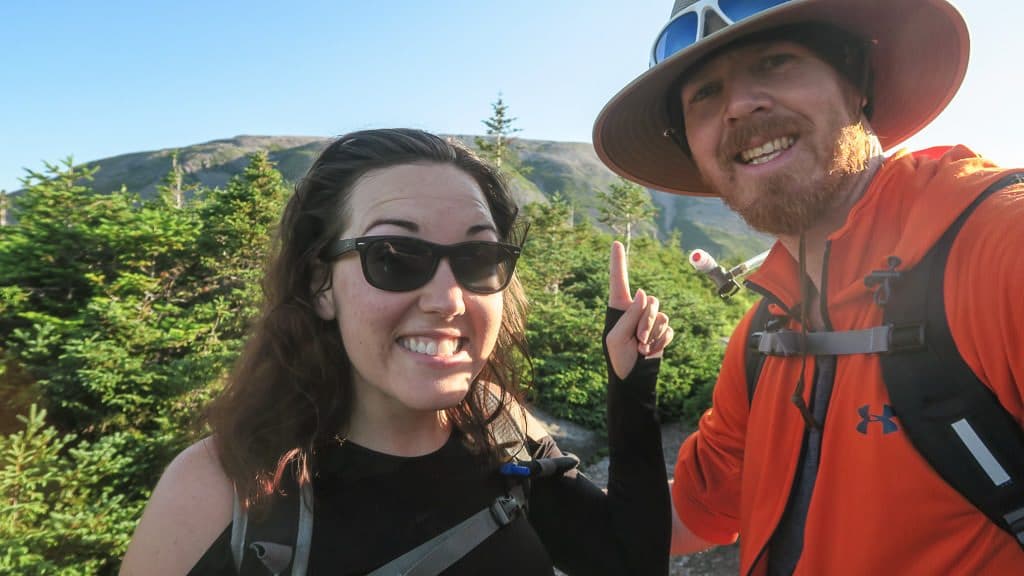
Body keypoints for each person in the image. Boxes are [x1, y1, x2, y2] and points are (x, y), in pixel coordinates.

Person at [592, 0, 1024, 574]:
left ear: (857, 83)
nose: (740, 105)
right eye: (705, 94)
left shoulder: (998, 245)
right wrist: (494, 445)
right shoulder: (764, 335)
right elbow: (679, 522)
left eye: (775, 62)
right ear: (692, 149)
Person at [121, 128, 674, 575]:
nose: (447, 299)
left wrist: (632, 386)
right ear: (320, 285)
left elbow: (628, 560)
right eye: (393, 255)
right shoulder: (223, 492)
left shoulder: (501, 428)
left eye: (477, 257)